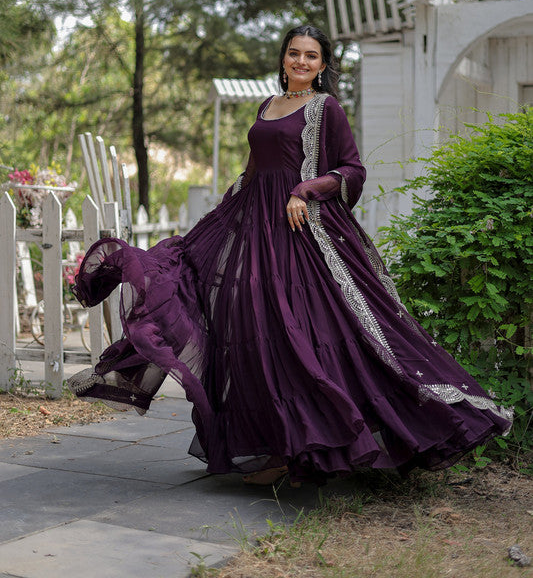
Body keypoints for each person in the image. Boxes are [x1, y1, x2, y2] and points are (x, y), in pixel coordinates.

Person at [69, 24, 512, 485]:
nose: (301, 62)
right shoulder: (268, 105)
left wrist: (305, 188)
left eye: (312, 56)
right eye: (294, 53)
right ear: (283, 58)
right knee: (248, 322)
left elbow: (352, 169)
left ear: (322, 66)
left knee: (302, 332)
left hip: (302, 231)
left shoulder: (326, 108)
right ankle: (282, 452)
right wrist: (232, 200)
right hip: (253, 222)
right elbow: (256, 166)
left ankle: (313, 454)